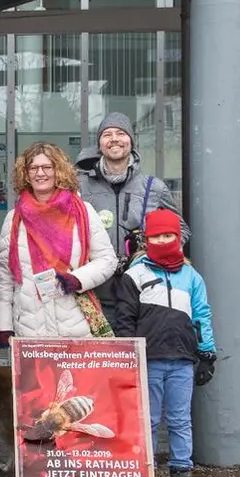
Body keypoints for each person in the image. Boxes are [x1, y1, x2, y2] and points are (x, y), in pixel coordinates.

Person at [113, 209, 215, 477]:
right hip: (149, 358)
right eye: (156, 236)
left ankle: (181, 476)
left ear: (178, 238)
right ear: (147, 240)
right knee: (149, 420)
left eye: (168, 235)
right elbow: (125, 319)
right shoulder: (135, 276)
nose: (163, 240)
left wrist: (207, 351)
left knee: (180, 420)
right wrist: (127, 353)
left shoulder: (192, 277)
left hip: (182, 358)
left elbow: (202, 315)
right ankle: (145, 474)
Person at [0, 142, 118, 341]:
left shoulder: (83, 212)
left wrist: (77, 279)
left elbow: (107, 260)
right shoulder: (14, 218)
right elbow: (4, 278)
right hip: (30, 329)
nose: (39, 173)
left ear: (58, 170)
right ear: (25, 174)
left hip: (76, 327)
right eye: (33, 168)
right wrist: (2, 325)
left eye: (46, 167)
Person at [75, 112, 187, 322]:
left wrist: (160, 251)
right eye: (107, 134)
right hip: (92, 293)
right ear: (100, 143)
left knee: (138, 353)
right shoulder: (80, 186)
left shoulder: (153, 187)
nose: (114, 139)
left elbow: (181, 231)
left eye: (121, 133)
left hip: (143, 293)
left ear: (131, 142)